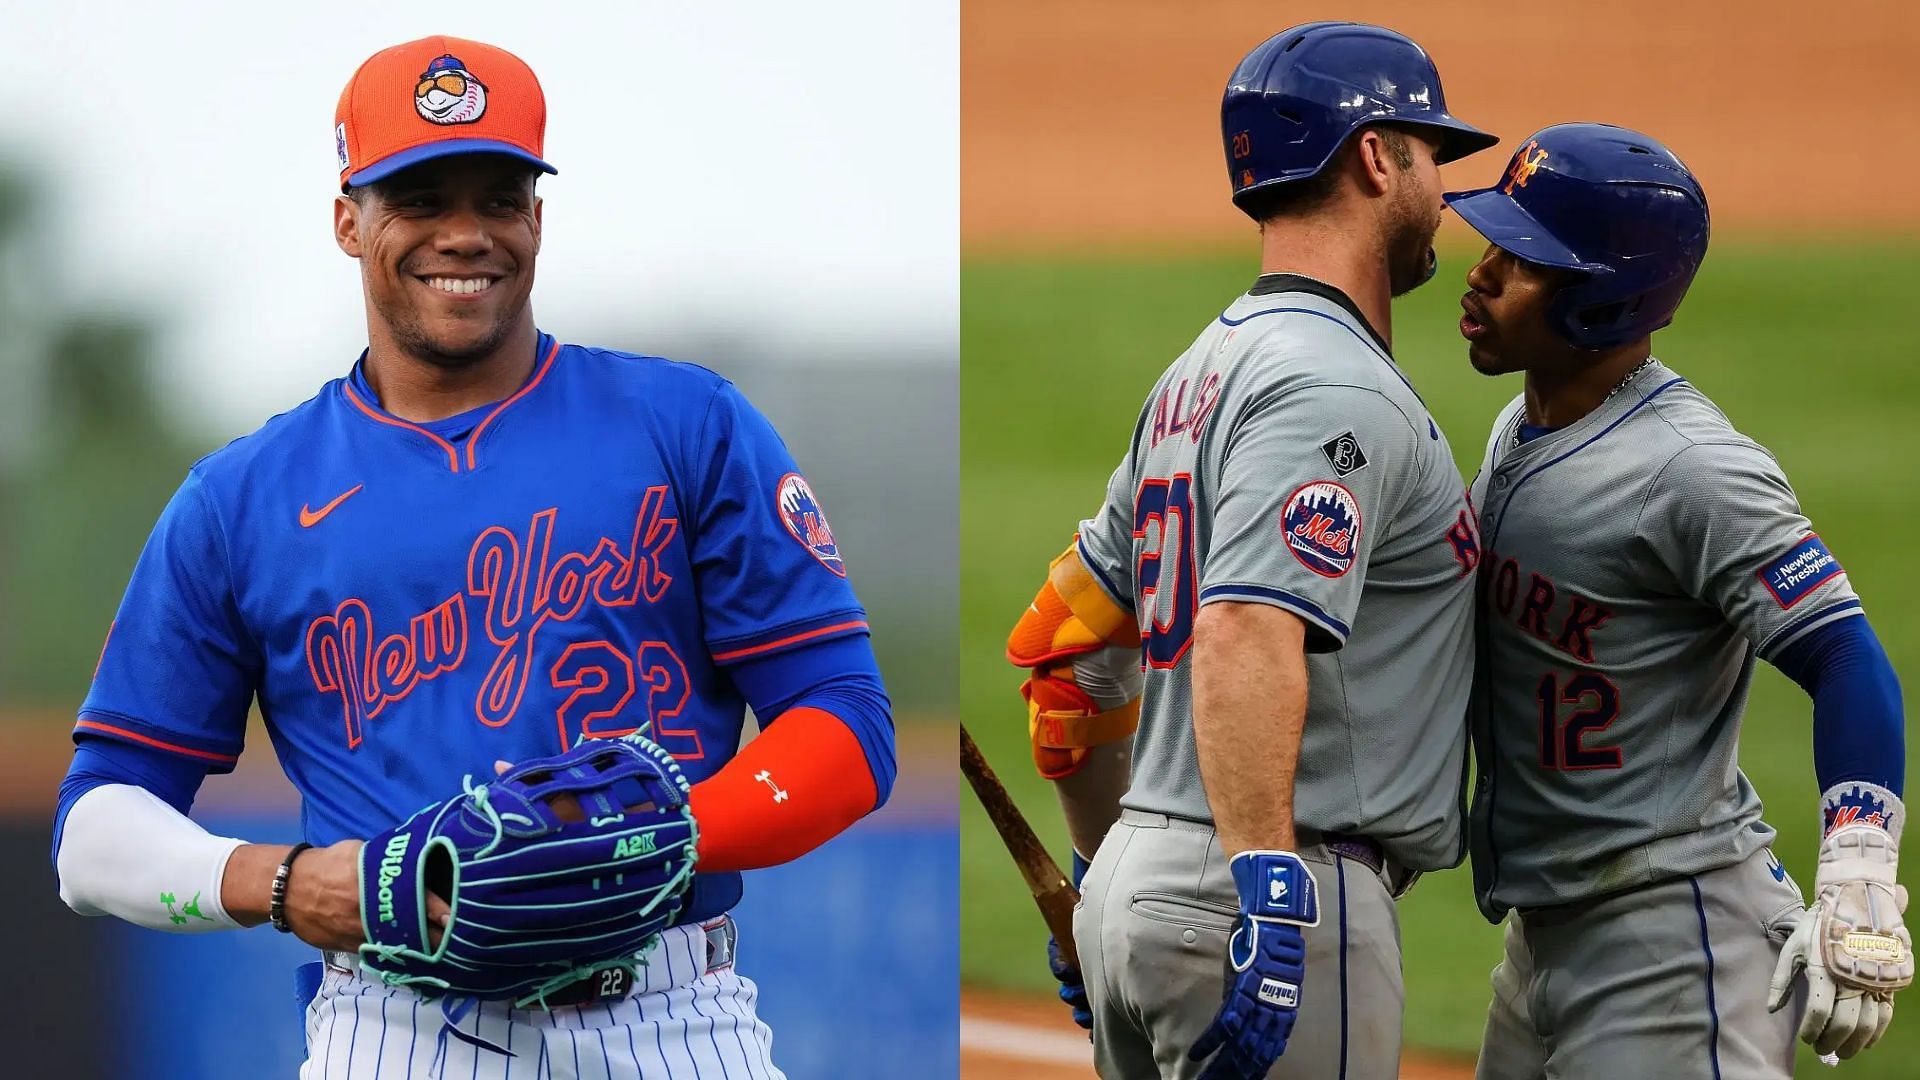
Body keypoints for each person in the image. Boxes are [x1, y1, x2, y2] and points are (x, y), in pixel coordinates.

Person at [50, 35, 895, 1078]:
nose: (464, 233)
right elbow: (96, 831)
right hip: (395, 1026)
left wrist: (666, 836)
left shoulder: (687, 425)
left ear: (537, 219)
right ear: (348, 221)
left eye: (499, 197)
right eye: (417, 196)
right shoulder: (241, 498)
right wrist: (295, 883)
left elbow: (848, 729)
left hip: (672, 1013)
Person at [1004, 22, 1495, 1079]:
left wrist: (1102, 880)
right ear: (1375, 156)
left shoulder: (1195, 374)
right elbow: (1245, 630)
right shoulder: (1331, 386)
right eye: (1428, 155)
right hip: (1269, 896)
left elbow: (1064, 654)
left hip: (1148, 892)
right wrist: (1272, 898)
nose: (1442, 195)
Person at [1449, 122, 1911, 1078]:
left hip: (1672, 947)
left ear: (1602, 303)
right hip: (1545, 942)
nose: (1483, 272)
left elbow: (1844, 654)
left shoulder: (1693, 470)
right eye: (1493, 243)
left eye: (1523, 260)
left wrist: (1861, 871)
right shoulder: (1518, 426)